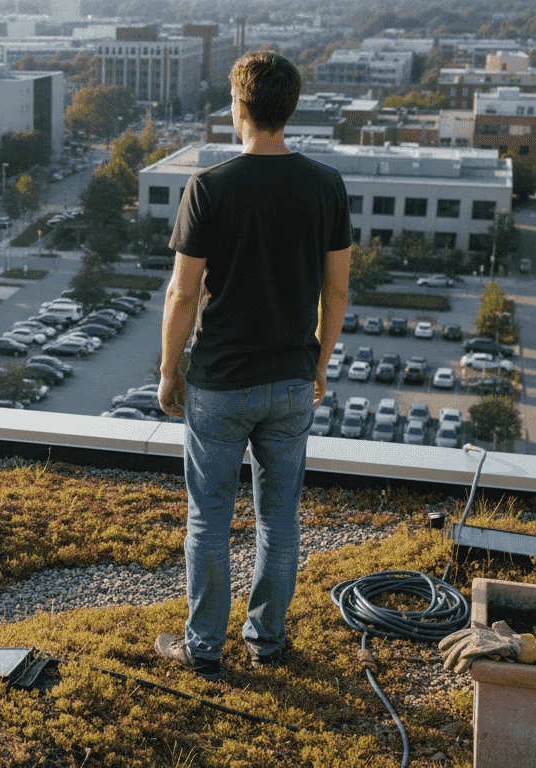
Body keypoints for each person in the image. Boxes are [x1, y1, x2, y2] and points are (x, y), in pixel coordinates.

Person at [154, 51, 353, 681]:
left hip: (219, 382)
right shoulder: (326, 185)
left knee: (209, 519)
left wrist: (168, 370)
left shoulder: (209, 186)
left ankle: (204, 648)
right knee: (279, 520)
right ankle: (267, 641)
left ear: (239, 107)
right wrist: (319, 362)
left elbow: (183, 293)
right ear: (289, 108)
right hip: (291, 380)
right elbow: (337, 291)